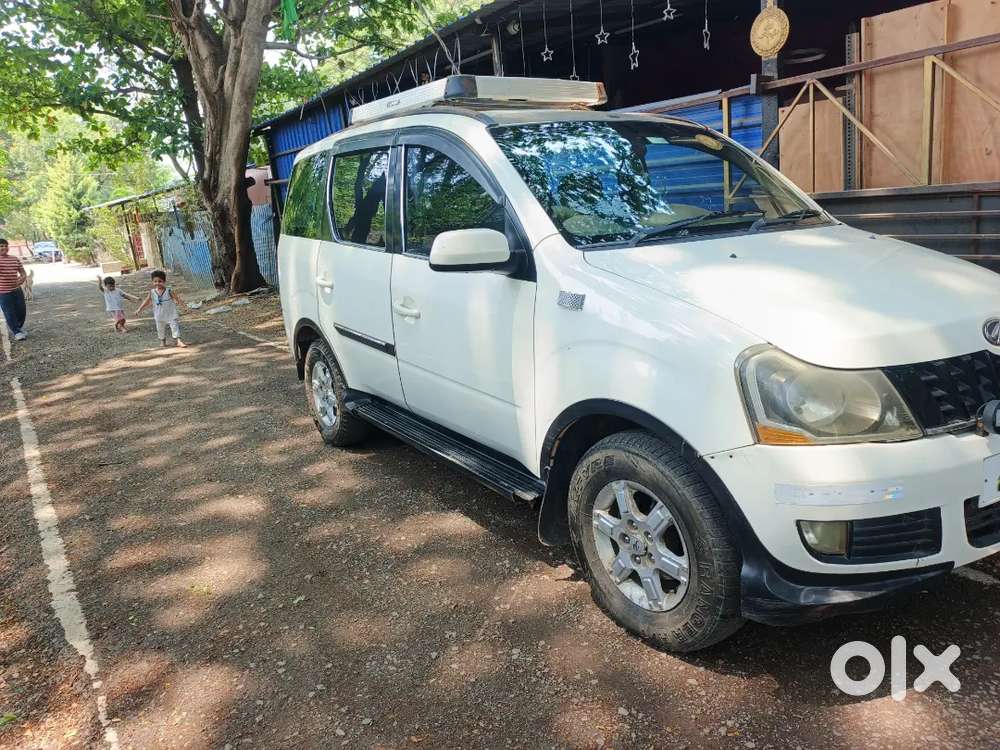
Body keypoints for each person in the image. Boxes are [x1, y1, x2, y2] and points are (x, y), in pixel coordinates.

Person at [135, 270, 187, 348]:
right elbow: (146, 301)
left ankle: (178, 341)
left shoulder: (169, 290)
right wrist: (139, 309)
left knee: (174, 326)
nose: (157, 283)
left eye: (160, 281)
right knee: (160, 328)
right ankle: (162, 341)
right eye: (155, 281)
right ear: (152, 282)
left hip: (170, 313)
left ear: (164, 281)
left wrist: (184, 307)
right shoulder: (152, 292)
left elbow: (177, 299)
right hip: (159, 315)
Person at [0, 238, 28, 341]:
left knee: (21, 310)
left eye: (5, 246)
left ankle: (18, 328)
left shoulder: (14, 259)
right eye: (1, 246)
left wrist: (22, 278)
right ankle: (16, 331)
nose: (4, 248)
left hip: (17, 289)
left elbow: (23, 272)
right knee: (9, 312)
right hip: (3, 292)